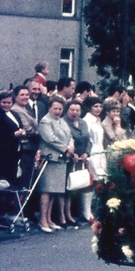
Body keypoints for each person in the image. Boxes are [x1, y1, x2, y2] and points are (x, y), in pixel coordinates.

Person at [37, 96, 73, 234]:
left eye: (60, 109)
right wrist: (66, 148)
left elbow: (70, 136)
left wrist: (71, 146)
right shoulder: (45, 122)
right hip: (50, 159)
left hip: (61, 159)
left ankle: (49, 218)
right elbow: (50, 139)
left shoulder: (61, 121)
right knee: (46, 190)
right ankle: (43, 219)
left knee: (54, 191)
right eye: (55, 108)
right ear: (49, 108)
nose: (58, 111)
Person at [63, 100, 90, 228]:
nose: (75, 113)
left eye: (77, 110)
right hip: (70, 158)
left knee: (80, 185)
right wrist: (72, 154)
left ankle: (78, 213)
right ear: (67, 110)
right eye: (72, 110)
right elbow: (65, 140)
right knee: (69, 188)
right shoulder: (63, 122)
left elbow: (88, 140)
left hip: (81, 158)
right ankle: (67, 215)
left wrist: (86, 153)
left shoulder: (83, 123)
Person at [82, 97, 105, 222]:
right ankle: (86, 210)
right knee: (90, 181)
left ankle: (94, 208)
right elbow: (88, 139)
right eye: (95, 106)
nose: (98, 109)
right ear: (90, 107)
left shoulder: (98, 120)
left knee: (100, 180)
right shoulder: (86, 120)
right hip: (92, 152)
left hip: (100, 151)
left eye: (100, 106)